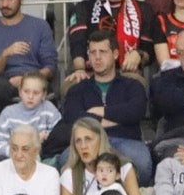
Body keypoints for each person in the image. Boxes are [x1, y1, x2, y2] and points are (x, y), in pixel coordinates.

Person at [54, 35, 152, 186]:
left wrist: (98, 112)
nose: (97, 57)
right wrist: (116, 119)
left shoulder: (132, 85)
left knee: (143, 164)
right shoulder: (78, 89)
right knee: (65, 161)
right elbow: (74, 118)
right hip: (87, 142)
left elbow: (135, 111)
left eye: (103, 52)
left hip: (126, 141)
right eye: (92, 52)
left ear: (115, 54)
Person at [0, 0, 57, 109]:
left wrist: (27, 79)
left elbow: (50, 67)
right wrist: (5, 54)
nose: (4, 4)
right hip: (3, 82)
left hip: (35, 78)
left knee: (40, 88)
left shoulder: (40, 26)